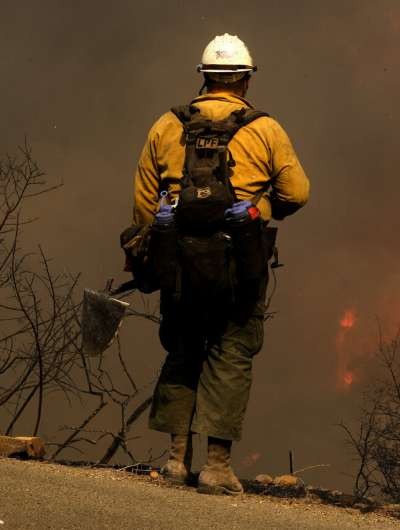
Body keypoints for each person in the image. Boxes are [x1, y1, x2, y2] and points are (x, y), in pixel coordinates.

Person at [132, 33, 310, 495]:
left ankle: (174, 461)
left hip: (179, 267)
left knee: (184, 349)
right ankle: (216, 467)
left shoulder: (166, 127)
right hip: (239, 268)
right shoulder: (265, 129)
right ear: (245, 81)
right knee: (230, 354)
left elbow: (143, 207)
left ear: (204, 79)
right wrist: (262, 206)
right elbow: (297, 193)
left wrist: (160, 251)